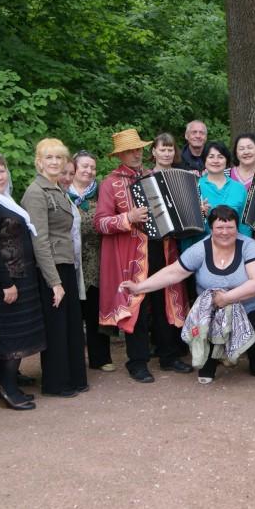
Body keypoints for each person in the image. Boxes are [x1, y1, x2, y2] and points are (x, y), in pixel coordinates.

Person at [120, 206, 255, 383]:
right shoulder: (200, 248)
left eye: (230, 227)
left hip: (249, 305)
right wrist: (139, 287)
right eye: (219, 227)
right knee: (207, 325)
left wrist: (227, 298)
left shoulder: (249, 246)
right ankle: (209, 363)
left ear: (237, 228)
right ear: (211, 228)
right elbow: (173, 272)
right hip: (213, 307)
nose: (225, 232)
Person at [94, 129, 192, 383]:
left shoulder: (153, 175)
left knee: (164, 302)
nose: (136, 154)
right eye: (130, 151)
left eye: (138, 149)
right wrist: (129, 217)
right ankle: (137, 362)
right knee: (137, 305)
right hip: (132, 255)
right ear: (120, 155)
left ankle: (168, 356)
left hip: (162, 249)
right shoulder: (110, 183)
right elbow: (100, 223)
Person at [0, 150, 46, 410]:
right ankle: (7, 387)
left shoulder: (4, 199)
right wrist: (6, 283)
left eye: (2, 170)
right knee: (9, 335)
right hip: (5, 281)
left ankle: (11, 381)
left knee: (20, 332)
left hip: (22, 276)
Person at [21, 138, 89, 398]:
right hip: (51, 269)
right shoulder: (36, 192)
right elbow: (39, 240)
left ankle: (74, 378)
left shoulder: (57, 189)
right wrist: (54, 282)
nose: (54, 162)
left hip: (66, 264)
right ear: (39, 162)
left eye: (59, 157)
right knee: (57, 328)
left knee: (70, 325)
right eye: (49, 157)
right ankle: (56, 383)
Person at [69, 150, 113, 372]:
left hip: (96, 258)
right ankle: (75, 358)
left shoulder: (100, 193)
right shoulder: (62, 192)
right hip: (72, 259)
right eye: (84, 166)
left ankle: (101, 357)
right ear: (74, 168)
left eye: (92, 167)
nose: (88, 171)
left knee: (96, 308)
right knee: (73, 311)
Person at [197, 142, 251, 237]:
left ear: (227, 161)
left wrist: (246, 244)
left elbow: (244, 226)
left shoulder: (239, 188)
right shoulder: (195, 186)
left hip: (233, 243)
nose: (216, 161)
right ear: (204, 160)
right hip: (201, 243)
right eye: (211, 157)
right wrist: (199, 214)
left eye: (220, 157)